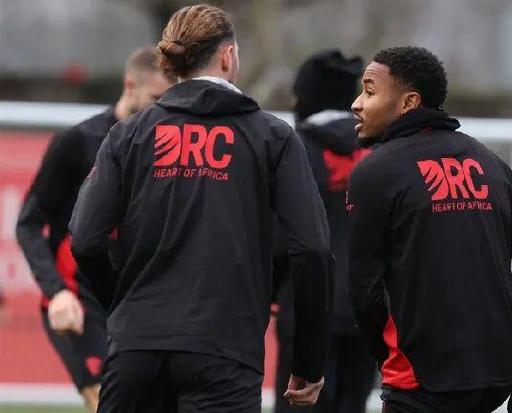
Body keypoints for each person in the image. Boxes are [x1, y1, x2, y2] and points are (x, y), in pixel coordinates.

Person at [68, 5, 332, 412]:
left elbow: (85, 238)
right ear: (228, 57)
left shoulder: (129, 134)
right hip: (224, 351)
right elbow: (312, 247)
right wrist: (309, 362)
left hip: (136, 348)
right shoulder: (273, 137)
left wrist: (124, 305)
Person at [347, 46, 512, 413]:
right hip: (496, 379)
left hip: (419, 385)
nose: (357, 104)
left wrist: (388, 361)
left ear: (408, 102)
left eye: (369, 91)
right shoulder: (490, 163)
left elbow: (364, 293)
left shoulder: (375, 172)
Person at [15, 46, 173, 412]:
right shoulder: (78, 141)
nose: (163, 110)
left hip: (133, 300)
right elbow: (29, 223)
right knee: (105, 399)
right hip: (79, 300)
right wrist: (56, 292)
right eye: (156, 99)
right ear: (130, 85)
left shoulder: (165, 147)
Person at [274, 50, 374, 413]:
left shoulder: (292, 148)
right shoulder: (379, 150)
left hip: (304, 313)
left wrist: (270, 291)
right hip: (368, 313)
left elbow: (278, 235)